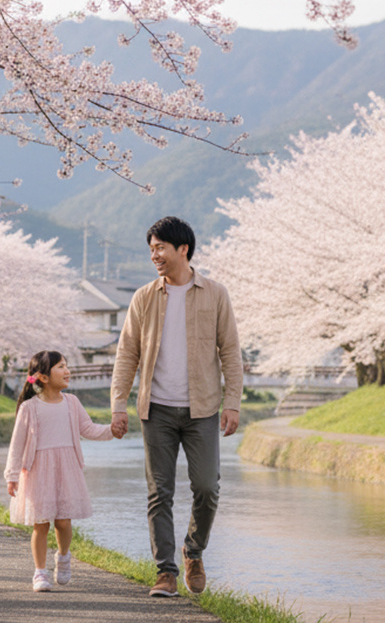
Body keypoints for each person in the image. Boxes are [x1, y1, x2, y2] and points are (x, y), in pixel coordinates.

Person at [110, 216, 243, 598]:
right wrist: (119, 404)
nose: (155, 255)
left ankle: (193, 550)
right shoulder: (144, 297)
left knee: (206, 488)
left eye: (160, 248)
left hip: (202, 408)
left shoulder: (216, 294)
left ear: (183, 249)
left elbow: (230, 351)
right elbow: (127, 354)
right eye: (151, 249)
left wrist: (232, 401)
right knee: (159, 492)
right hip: (157, 410)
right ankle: (165, 572)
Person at [4, 350, 115, 592]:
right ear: (43, 377)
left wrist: (112, 430)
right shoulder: (29, 408)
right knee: (40, 523)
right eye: (61, 367)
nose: (67, 371)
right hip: (37, 470)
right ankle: (40, 572)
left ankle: (63, 556)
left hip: (67, 467)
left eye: (67, 366)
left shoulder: (72, 403)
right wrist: (12, 476)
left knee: (63, 521)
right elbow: (17, 443)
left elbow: (89, 429)